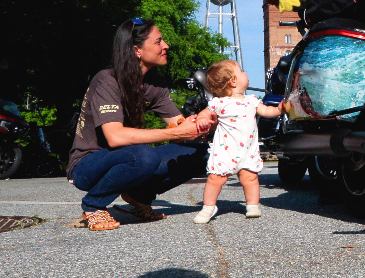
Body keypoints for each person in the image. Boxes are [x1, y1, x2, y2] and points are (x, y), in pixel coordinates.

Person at [67, 17, 216, 231]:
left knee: (206, 154)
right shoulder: (107, 80)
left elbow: (181, 128)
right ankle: (93, 204)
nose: (166, 46)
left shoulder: (155, 82)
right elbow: (115, 137)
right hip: (88, 164)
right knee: (145, 155)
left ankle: (138, 196)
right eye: (158, 41)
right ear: (137, 50)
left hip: (131, 157)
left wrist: (207, 117)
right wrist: (176, 133)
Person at [192, 60, 284, 223]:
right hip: (225, 150)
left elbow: (267, 111)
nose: (246, 74)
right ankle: (208, 206)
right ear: (233, 81)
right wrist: (202, 119)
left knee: (250, 178)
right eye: (242, 71)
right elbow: (204, 113)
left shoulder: (252, 100)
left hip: (247, 151)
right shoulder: (219, 102)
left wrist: (278, 109)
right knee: (215, 179)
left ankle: (252, 205)